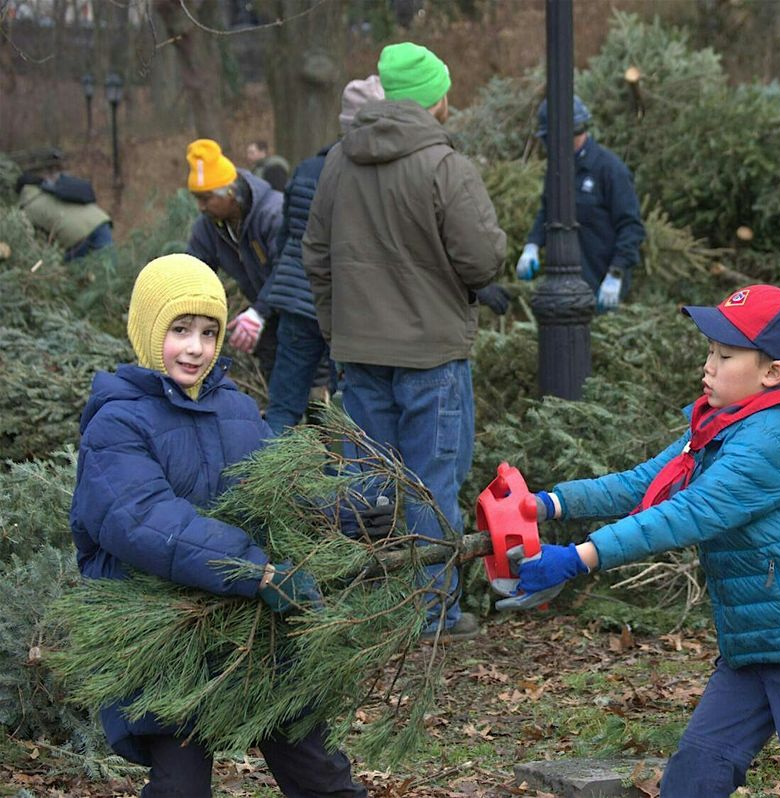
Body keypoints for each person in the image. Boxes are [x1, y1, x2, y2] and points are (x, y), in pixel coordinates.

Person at [497, 284, 780, 797]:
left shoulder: (771, 442)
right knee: (695, 774)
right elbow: (641, 484)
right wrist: (546, 504)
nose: (709, 365)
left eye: (725, 355)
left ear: (773, 374)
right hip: (755, 643)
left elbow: (686, 514)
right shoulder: (716, 429)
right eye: (710, 352)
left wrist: (580, 557)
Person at [68, 253, 366, 797]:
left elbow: (269, 496)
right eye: (179, 330)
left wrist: (341, 517)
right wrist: (254, 568)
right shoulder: (115, 423)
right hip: (163, 634)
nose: (196, 347)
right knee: (181, 784)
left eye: (209, 332)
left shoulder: (235, 409)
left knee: (320, 771)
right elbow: (146, 522)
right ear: (147, 331)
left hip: (249, 629)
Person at [304, 42, 506, 640]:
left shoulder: (339, 160)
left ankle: (371, 611)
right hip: (432, 355)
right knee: (431, 483)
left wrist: (338, 331)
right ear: (435, 99)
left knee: (368, 484)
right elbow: (483, 259)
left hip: (360, 355)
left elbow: (316, 257)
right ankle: (432, 613)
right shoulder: (444, 165)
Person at [261, 75, 386, 433]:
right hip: (343, 306)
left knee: (283, 405)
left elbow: (285, 237)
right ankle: (340, 483)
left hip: (295, 299)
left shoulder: (307, 167)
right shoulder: (369, 173)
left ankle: (262, 480)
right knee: (347, 405)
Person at [515, 95, 645, 312]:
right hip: (567, 288)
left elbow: (631, 227)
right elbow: (548, 211)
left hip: (603, 288)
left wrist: (616, 274)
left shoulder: (610, 170)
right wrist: (532, 246)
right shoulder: (557, 169)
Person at [186, 138, 284, 381]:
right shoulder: (208, 228)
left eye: (206, 198)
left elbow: (288, 269)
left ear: (230, 192)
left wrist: (259, 312)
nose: (200, 207)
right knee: (274, 374)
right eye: (197, 198)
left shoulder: (273, 214)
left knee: (310, 378)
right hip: (263, 316)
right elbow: (195, 272)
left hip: (296, 309)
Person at [16, 171, 113, 261]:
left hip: (76, 239)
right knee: (109, 271)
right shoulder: (53, 187)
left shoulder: (26, 209)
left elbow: (31, 241)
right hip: (100, 222)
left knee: (73, 271)